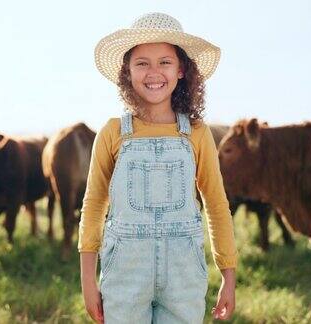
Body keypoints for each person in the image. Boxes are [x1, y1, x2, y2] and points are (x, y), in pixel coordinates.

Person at [78, 12, 238, 323]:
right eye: (142, 63)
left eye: (164, 61)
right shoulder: (112, 133)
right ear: (127, 71)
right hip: (125, 275)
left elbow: (217, 206)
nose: (154, 72)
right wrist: (87, 279)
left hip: (184, 274)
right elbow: (94, 205)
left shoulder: (197, 133)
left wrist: (228, 276)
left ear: (181, 70)